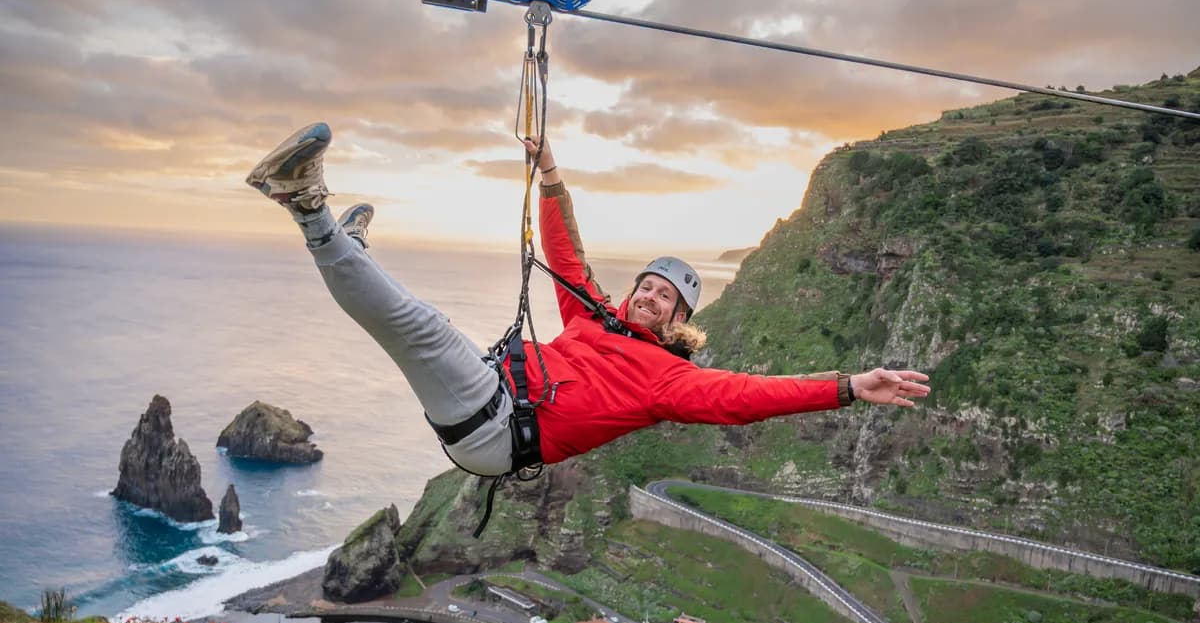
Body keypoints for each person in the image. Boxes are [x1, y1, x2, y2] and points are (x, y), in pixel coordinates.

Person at [245, 123, 931, 478]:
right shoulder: (595, 317)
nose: (653, 300)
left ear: (680, 324)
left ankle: (306, 205)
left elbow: (749, 396)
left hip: (499, 431)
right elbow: (568, 258)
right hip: (489, 398)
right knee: (425, 327)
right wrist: (550, 173)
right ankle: (349, 250)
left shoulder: (670, 381)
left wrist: (846, 387)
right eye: (649, 288)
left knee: (420, 328)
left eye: (668, 302)